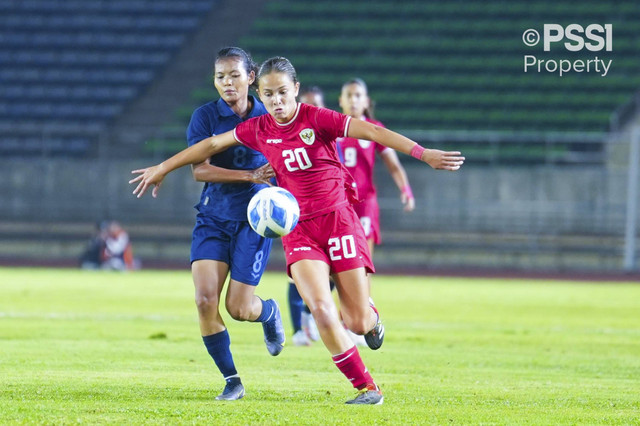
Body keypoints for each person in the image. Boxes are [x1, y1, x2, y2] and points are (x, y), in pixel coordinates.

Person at [129, 56, 464, 405]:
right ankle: (366, 387)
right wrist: (164, 167)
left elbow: (374, 132)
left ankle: (372, 317)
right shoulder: (258, 128)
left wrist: (423, 154)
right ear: (260, 93)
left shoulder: (316, 118)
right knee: (320, 308)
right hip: (299, 231)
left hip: (339, 221)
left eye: (283, 92)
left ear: (296, 90)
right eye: (269, 94)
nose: (276, 101)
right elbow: (211, 146)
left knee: (357, 321)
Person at [168, 47, 285, 401]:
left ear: (251, 77)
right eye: (220, 76)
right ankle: (232, 379)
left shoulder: (271, 116)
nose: (227, 82)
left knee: (238, 309)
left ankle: (268, 311)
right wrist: (249, 174)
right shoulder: (205, 117)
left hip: (255, 222)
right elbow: (199, 169)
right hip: (213, 218)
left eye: (234, 74)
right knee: (205, 300)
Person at [337, 77, 415, 270]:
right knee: (338, 263)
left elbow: (393, 164)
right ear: (341, 100)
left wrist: (405, 189)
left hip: (364, 203)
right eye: (349, 95)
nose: (353, 100)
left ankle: (365, 300)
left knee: (362, 262)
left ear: (366, 101)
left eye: (358, 95)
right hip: (337, 203)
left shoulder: (374, 128)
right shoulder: (332, 126)